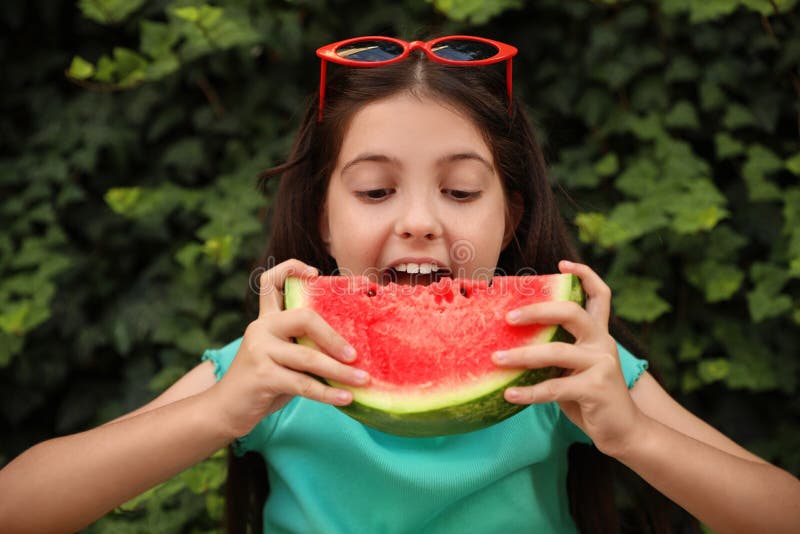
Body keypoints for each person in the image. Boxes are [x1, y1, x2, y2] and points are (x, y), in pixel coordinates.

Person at [0, 35, 798, 534]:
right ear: (321, 214)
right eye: (376, 191)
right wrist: (220, 408)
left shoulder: (564, 365)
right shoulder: (279, 367)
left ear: (510, 212)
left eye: (459, 192)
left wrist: (630, 432)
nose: (418, 222)